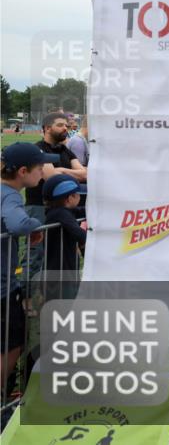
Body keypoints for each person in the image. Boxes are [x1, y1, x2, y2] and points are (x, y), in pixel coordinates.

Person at [1, 143, 59, 407]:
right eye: (40, 168)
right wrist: (37, 226)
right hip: (2, 287)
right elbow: (18, 223)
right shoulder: (10, 195)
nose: (43, 172)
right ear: (23, 171)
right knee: (12, 344)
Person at [24, 112, 87, 223]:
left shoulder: (65, 150)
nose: (65, 128)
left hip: (63, 208)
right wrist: (75, 173)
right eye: (60, 125)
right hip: (40, 207)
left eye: (66, 126)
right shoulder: (38, 149)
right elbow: (52, 178)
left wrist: (62, 171)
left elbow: (85, 174)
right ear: (48, 128)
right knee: (40, 239)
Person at [42, 175, 87, 300]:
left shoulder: (60, 211)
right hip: (60, 271)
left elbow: (83, 211)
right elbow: (79, 234)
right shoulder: (60, 214)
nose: (81, 197)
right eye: (78, 194)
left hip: (64, 267)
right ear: (69, 199)